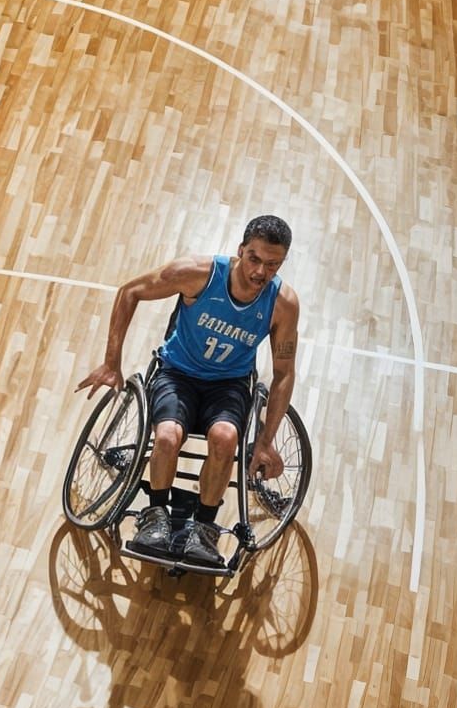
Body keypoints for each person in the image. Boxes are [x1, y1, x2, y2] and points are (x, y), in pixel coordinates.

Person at [76, 215, 300, 567]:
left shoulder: (282, 304)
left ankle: (205, 529)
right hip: (177, 374)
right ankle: (155, 515)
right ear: (240, 250)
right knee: (166, 437)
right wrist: (111, 362)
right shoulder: (198, 273)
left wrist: (266, 439)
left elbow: (284, 372)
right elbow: (130, 291)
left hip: (228, 384)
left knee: (226, 439)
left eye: (272, 264)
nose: (260, 272)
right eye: (254, 259)